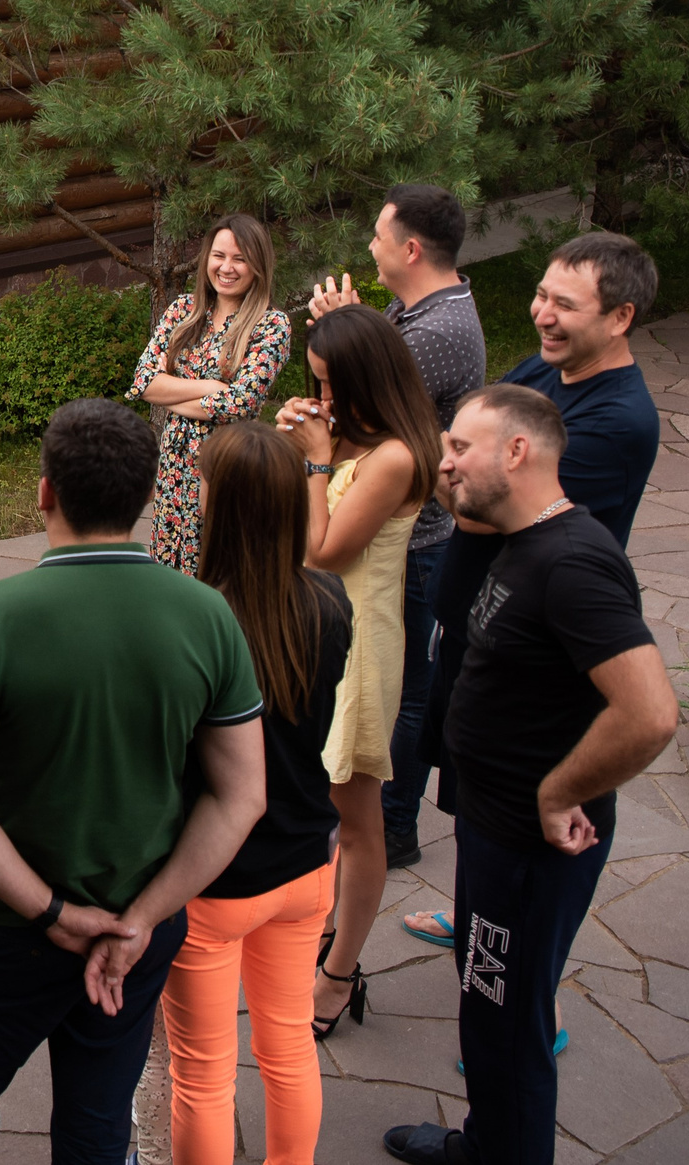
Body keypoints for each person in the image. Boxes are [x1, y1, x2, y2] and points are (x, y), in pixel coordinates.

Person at [0, 399, 266, 1165]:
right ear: (147, 499)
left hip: (3, 929)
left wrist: (52, 913)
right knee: (96, 1126)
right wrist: (138, 918)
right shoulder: (208, 615)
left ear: (44, 492)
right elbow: (243, 796)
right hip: (136, 935)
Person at [381, 386, 679, 1165]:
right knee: (488, 1010)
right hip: (491, 827)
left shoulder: (573, 562)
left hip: (526, 844)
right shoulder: (518, 534)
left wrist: (559, 789)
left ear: (518, 451)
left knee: (510, 1027)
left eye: (458, 449)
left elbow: (649, 712)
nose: (443, 464)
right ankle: (483, 1143)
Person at [406, 231, 663, 948]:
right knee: (471, 785)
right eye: (542, 295)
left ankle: (528, 997)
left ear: (620, 317)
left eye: (565, 304)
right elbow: (469, 470)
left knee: (531, 826)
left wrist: (419, 452)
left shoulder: (618, 419)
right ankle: (475, 911)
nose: (542, 314)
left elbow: (479, 509)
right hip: (481, 625)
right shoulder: (547, 374)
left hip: (538, 650)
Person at [158, 420, 352, 1165]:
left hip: (217, 878)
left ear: (223, 503)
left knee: (203, 1074)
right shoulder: (330, 599)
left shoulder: (195, 617)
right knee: (288, 1045)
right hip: (307, 865)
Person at [307, 186, 487, 869]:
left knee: (401, 698)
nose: (372, 246)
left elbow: (374, 399)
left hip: (408, 547)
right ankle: (368, 823)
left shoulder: (435, 331)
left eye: (379, 235)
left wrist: (315, 461)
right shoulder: (425, 310)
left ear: (411, 247)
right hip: (391, 538)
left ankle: (389, 822)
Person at [271, 303, 436, 1039]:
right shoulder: (355, 440)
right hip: (323, 635)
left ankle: (339, 975)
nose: (326, 399)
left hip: (363, 648)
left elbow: (324, 550)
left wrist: (315, 458)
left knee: (357, 817)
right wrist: (300, 447)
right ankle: (316, 939)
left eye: (332, 385)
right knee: (321, 798)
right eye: (318, 385)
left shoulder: (396, 456)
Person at [129, 215, 291, 574]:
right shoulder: (184, 311)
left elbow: (241, 403)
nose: (227, 268)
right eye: (219, 256)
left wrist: (170, 394)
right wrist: (212, 388)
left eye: (240, 258)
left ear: (258, 265)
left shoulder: (270, 324)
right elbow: (144, 382)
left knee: (221, 571)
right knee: (170, 574)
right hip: (173, 467)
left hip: (227, 465)